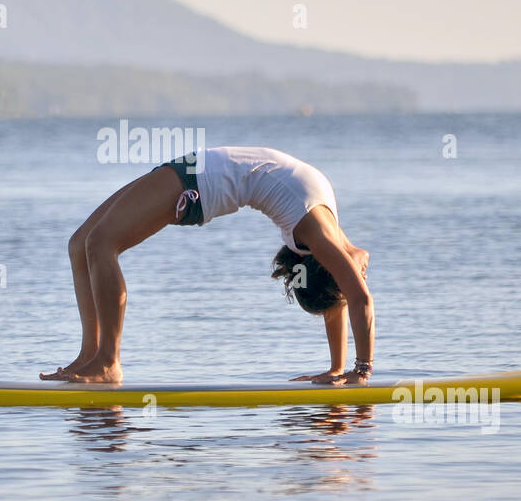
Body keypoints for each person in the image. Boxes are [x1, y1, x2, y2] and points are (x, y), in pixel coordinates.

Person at [41, 146, 374, 385]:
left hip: (195, 175)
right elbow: (357, 298)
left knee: (98, 244)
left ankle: (105, 361)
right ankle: (95, 357)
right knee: (82, 244)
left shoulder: (332, 236)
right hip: (196, 179)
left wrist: (337, 367)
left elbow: (343, 293)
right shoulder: (316, 234)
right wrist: (361, 369)